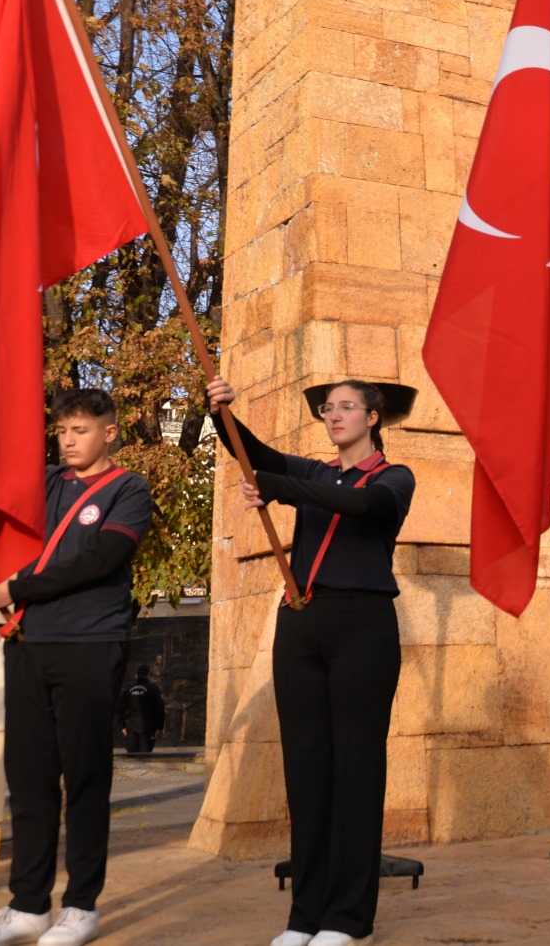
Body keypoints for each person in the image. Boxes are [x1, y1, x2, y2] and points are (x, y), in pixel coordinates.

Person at [206, 375, 416, 946]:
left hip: (363, 624)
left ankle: (348, 919)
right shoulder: (315, 470)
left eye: (347, 407)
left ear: (373, 417)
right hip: (301, 621)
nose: (334, 415)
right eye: (328, 408)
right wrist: (224, 410)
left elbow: (361, 505)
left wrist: (281, 487)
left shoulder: (393, 477)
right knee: (306, 772)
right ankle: (306, 915)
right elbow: (253, 454)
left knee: (355, 771)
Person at [0, 389, 153, 946]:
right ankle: (27, 905)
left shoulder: (128, 489)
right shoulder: (41, 483)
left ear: (109, 433)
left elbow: (101, 559)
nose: (68, 441)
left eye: (81, 430)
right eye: (63, 430)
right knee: (29, 778)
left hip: (91, 642)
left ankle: (82, 905)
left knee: (85, 775)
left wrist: (18, 586)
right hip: (28, 639)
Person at [117, 665, 166, 754]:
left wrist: (122, 726)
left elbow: (119, 710)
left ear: (136, 675)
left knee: (132, 756)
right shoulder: (153, 689)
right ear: (148, 676)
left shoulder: (127, 690)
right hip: (147, 727)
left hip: (131, 727)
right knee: (145, 756)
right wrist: (159, 727)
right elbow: (160, 709)